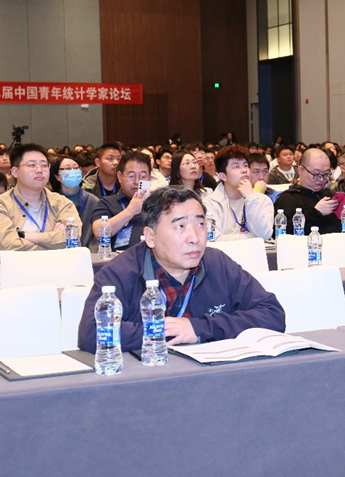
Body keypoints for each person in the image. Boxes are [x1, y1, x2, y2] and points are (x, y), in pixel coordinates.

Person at [77, 187, 285, 353]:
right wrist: (166, 331)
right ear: (150, 237)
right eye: (180, 226)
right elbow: (92, 333)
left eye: (200, 224)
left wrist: (198, 328)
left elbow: (272, 314)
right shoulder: (121, 272)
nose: (194, 237)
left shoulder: (217, 263)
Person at [0, 144, 81, 250]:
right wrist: (52, 241)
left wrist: (25, 236)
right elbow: (7, 244)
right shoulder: (3, 204)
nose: (39, 170)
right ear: (15, 172)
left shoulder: (62, 203)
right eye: (31, 165)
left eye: (44, 165)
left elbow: (73, 238)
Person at [275, 148, 345, 235]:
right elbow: (282, 233)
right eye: (316, 174)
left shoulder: (331, 195)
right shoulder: (287, 199)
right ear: (301, 170)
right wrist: (316, 213)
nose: (321, 179)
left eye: (326, 174)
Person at [204, 146, 275, 241]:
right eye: (236, 166)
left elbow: (265, 234)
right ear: (222, 176)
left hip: (255, 251)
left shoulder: (262, 200)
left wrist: (250, 198)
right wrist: (254, 238)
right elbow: (214, 239)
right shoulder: (210, 204)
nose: (244, 170)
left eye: (245, 165)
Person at [91, 151, 152, 253]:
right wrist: (130, 211)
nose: (137, 182)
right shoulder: (106, 203)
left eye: (143, 177)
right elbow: (98, 233)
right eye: (131, 176)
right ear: (120, 177)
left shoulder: (159, 202)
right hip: (121, 258)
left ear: (149, 178)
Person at [50, 155, 100, 246]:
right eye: (68, 168)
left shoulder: (92, 201)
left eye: (76, 168)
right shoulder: (50, 201)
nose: (73, 171)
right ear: (57, 176)